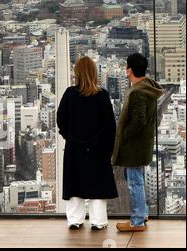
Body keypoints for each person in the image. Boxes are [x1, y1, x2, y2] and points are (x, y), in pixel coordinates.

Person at [57, 56, 118, 230]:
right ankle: (98, 221)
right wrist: (106, 147)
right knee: (97, 184)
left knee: (74, 182)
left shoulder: (70, 94)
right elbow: (110, 126)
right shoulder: (102, 95)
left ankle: (75, 220)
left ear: (76, 73)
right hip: (98, 148)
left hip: (75, 147)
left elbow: (60, 120)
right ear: (94, 73)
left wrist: (69, 136)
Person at [113, 53, 163, 232]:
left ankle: (137, 220)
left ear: (130, 70)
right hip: (143, 144)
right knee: (136, 179)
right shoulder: (147, 87)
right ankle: (143, 213)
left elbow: (139, 120)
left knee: (134, 182)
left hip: (134, 146)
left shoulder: (137, 92)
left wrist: (124, 134)